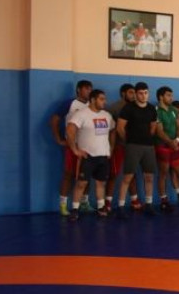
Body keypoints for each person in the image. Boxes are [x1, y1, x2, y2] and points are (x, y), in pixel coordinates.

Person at [65, 89, 115, 221]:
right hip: (87, 156)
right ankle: (75, 209)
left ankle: (101, 207)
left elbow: (112, 131)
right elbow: (70, 130)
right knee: (81, 183)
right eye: (101, 99)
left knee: (101, 183)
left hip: (103, 155)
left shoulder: (107, 115)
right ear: (93, 100)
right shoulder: (81, 114)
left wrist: (111, 148)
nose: (104, 102)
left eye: (104, 99)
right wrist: (75, 149)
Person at [50, 80, 93, 216]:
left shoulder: (92, 105)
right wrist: (58, 138)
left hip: (88, 146)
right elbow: (54, 120)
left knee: (86, 175)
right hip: (72, 145)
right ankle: (63, 205)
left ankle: (84, 202)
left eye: (90, 89)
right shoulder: (70, 104)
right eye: (86, 88)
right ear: (79, 89)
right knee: (68, 174)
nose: (89, 91)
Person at [116, 82, 158, 218]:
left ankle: (149, 204)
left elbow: (153, 127)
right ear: (135, 94)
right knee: (127, 177)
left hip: (148, 146)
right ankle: (121, 206)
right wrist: (129, 141)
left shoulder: (151, 109)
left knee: (149, 177)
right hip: (133, 145)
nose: (143, 95)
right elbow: (120, 128)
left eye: (146, 93)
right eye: (140, 93)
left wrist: (147, 138)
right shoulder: (128, 108)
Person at [154, 86, 179, 213]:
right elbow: (159, 131)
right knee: (163, 174)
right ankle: (164, 201)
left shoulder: (174, 110)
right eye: (168, 95)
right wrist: (170, 142)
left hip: (175, 146)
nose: (171, 98)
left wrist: (177, 140)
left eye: (171, 95)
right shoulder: (156, 111)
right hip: (163, 146)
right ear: (161, 97)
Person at [105, 83, 138, 211]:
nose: (134, 95)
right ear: (123, 93)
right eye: (131, 92)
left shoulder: (137, 107)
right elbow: (110, 130)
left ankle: (134, 200)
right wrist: (110, 146)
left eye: (134, 92)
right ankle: (108, 202)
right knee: (113, 174)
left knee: (132, 174)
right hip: (118, 146)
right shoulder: (114, 108)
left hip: (133, 147)